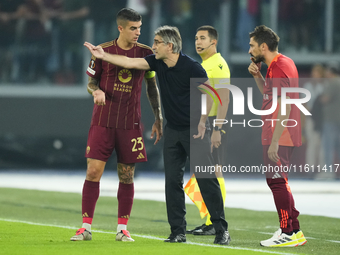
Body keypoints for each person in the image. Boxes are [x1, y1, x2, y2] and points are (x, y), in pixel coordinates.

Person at [84, 25, 231, 245]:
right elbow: (129, 62)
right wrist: (104, 55)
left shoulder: (193, 67)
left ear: (169, 46)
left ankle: (221, 230)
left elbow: (210, 95)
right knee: (172, 181)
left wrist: (203, 122)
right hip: (173, 130)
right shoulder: (156, 62)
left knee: (206, 179)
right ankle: (177, 232)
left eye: (156, 42)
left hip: (195, 131)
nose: (152, 47)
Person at [70, 8, 163, 242]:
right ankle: (85, 227)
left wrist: (159, 117)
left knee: (127, 176)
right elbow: (91, 82)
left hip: (130, 124)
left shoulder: (146, 53)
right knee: (93, 172)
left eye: (140, 28)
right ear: (120, 28)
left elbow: (152, 87)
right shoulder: (103, 51)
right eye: (133, 28)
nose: (138, 32)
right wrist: (97, 90)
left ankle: (122, 229)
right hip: (103, 121)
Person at [248, 25, 307, 247]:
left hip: (280, 134)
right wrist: (257, 76)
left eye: (252, 45)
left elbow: (284, 107)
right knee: (280, 181)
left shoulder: (280, 66)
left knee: (276, 182)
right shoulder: (280, 64)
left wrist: (274, 141)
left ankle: (287, 232)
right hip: (281, 132)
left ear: (264, 46)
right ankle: (294, 229)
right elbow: (270, 95)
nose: (250, 50)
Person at [186, 25, 230, 236]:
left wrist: (217, 129)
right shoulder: (205, 64)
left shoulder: (218, 65)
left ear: (214, 42)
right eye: (196, 38)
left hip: (213, 123)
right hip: (204, 122)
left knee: (213, 172)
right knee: (203, 174)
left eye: (202, 38)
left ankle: (215, 221)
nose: (198, 42)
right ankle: (211, 219)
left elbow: (224, 97)